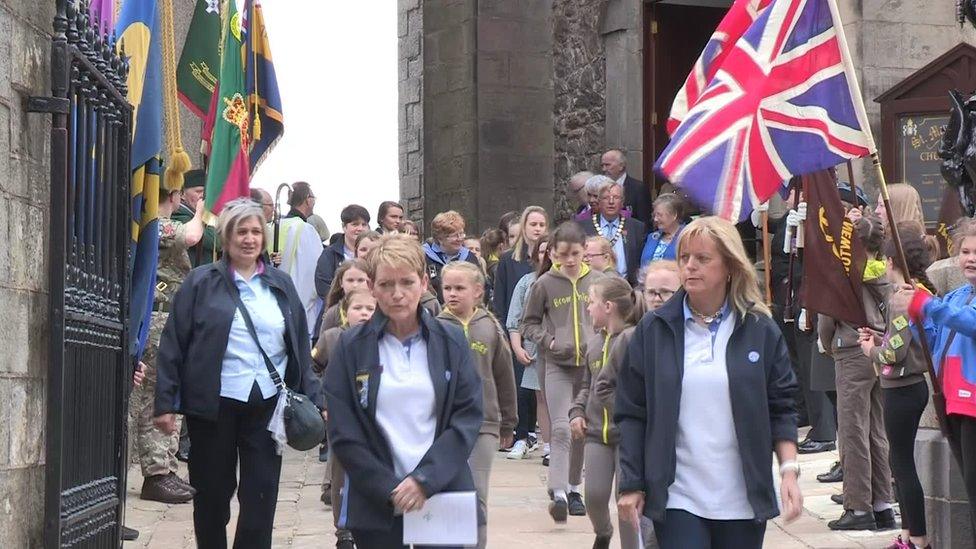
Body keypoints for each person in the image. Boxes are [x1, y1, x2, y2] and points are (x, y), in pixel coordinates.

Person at [615, 216, 801, 549]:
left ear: (729, 266)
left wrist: (788, 471)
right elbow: (631, 411)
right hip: (678, 496)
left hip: (743, 499)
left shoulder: (760, 329)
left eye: (703, 259)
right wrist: (631, 483)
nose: (690, 267)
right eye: (684, 258)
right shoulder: (653, 330)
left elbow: (782, 406)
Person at [153, 198, 319, 548]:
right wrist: (166, 402)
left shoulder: (281, 284)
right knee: (212, 496)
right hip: (214, 405)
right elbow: (173, 344)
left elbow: (299, 347)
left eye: (256, 231)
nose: (249, 238)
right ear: (227, 238)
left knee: (261, 496)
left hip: (268, 405)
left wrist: (316, 398)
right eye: (241, 231)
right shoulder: (200, 283)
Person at [322, 234, 483, 548]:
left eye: (406, 283)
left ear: (423, 283)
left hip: (441, 493)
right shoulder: (351, 347)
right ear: (371, 286)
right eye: (385, 284)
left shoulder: (451, 341)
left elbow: (466, 417)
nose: (397, 294)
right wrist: (388, 487)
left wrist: (424, 480)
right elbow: (343, 429)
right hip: (377, 500)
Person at [521, 222, 606, 522]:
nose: (569, 261)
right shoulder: (543, 284)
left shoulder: (598, 281)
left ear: (585, 251)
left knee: (579, 428)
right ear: (553, 254)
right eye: (562, 255)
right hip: (556, 363)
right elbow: (528, 323)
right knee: (559, 426)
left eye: (575, 254)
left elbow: (614, 314)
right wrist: (549, 340)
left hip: (590, 365)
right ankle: (557, 492)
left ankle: (573, 489)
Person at [857, 224, 935, 549]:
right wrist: (879, 337)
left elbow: (895, 352)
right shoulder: (909, 293)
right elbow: (899, 340)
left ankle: (918, 537)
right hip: (903, 386)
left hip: (903, 389)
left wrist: (871, 350)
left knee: (902, 464)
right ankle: (907, 534)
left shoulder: (903, 297)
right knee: (897, 464)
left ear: (891, 260)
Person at [899, 217, 976, 540]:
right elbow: (934, 343)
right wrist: (917, 316)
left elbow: (968, 323)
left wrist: (927, 305)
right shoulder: (957, 295)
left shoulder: (956, 305)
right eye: (965, 251)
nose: (970, 258)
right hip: (954, 402)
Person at [819, 215, 895, 531]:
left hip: (851, 349)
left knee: (852, 431)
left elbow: (827, 318)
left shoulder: (845, 273)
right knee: (876, 429)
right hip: (878, 347)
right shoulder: (883, 272)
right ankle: (883, 505)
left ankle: (858, 507)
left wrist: (828, 345)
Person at [129, 186, 203, 504]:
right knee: (155, 399)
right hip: (158, 320)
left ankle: (167, 467)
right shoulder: (155, 224)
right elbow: (191, 236)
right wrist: (202, 209)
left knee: (170, 396)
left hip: (171, 318)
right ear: (173, 195)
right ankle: (156, 474)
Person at [437, 262, 518, 549]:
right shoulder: (435, 326)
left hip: (484, 423)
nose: (452, 294)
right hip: (444, 426)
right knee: (445, 494)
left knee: (477, 495)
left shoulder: (490, 328)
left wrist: (508, 421)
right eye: (447, 288)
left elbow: (504, 376)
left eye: (460, 288)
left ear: (478, 291)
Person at [570, 276, 640, 549]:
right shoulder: (593, 344)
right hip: (597, 432)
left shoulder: (634, 338)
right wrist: (577, 411)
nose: (587, 308)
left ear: (608, 306)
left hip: (627, 435)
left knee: (626, 499)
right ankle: (603, 531)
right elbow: (585, 384)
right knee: (595, 496)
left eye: (591, 303)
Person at [311, 287, 376, 549]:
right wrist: (323, 403)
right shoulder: (332, 338)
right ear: (345, 312)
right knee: (341, 475)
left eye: (370, 309)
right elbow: (312, 369)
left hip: (373, 421)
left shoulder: (381, 339)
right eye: (358, 308)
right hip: (341, 418)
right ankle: (343, 529)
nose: (364, 314)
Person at [494, 206, 550, 456]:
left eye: (541, 224)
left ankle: (533, 435)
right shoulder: (509, 259)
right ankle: (521, 433)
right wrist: (507, 334)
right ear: (524, 226)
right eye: (533, 224)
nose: (537, 229)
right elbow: (504, 298)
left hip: (539, 334)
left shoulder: (548, 257)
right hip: (515, 329)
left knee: (537, 389)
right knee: (517, 384)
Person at [505, 236, 552, 462]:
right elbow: (514, 321)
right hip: (534, 349)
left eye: (549, 250)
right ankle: (549, 446)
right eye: (542, 251)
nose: (546, 255)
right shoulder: (526, 282)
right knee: (540, 398)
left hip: (562, 348)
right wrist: (517, 347)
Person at [268, 181, 324, 337]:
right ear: (308, 199)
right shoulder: (306, 230)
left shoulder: (272, 226)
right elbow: (313, 273)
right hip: (299, 306)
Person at [580, 178, 646, 285]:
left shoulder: (636, 227)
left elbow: (639, 262)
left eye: (616, 198)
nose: (611, 202)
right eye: (606, 198)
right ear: (599, 202)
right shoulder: (583, 227)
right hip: (592, 285)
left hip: (626, 287)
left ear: (622, 202)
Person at [421, 210, 482, 302]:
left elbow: (480, 286)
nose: (460, 239)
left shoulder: (469, 258)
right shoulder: (424, 256)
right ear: (440, 238)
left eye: (461, 234)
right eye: (454, 235)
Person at [315, 204, 371, 298]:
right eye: (355, 224)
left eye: (364, 224)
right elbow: (323, 287)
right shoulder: (330, 254)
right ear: (344, 227)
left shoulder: (374, 251)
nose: (360, 229)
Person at [172, 169, 219, 266]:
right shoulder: (179, 216)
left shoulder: (198, 216)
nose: (203, 196)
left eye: (206, 192)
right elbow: (215, 241)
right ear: (182, 194)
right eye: (198, 191)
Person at [602, 149, 652, 225]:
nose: (604, 169)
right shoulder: (600, 187)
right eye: (602, 165)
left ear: (621, 166)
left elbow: (644, 221)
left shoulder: (638, 188)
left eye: (607, 165)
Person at [320, 259, 371, 332]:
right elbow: (324, 341)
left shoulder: (379, 308)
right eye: (350, 280)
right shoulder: (333, 313)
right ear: (341, 283)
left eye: (361, 280)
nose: (355, 285)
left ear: (369, 282)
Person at [640, 193, 685, 266]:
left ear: (674, 215)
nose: (655, 219)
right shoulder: (652, 237)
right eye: (654, 215)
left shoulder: (686, 237)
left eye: (659, 215)